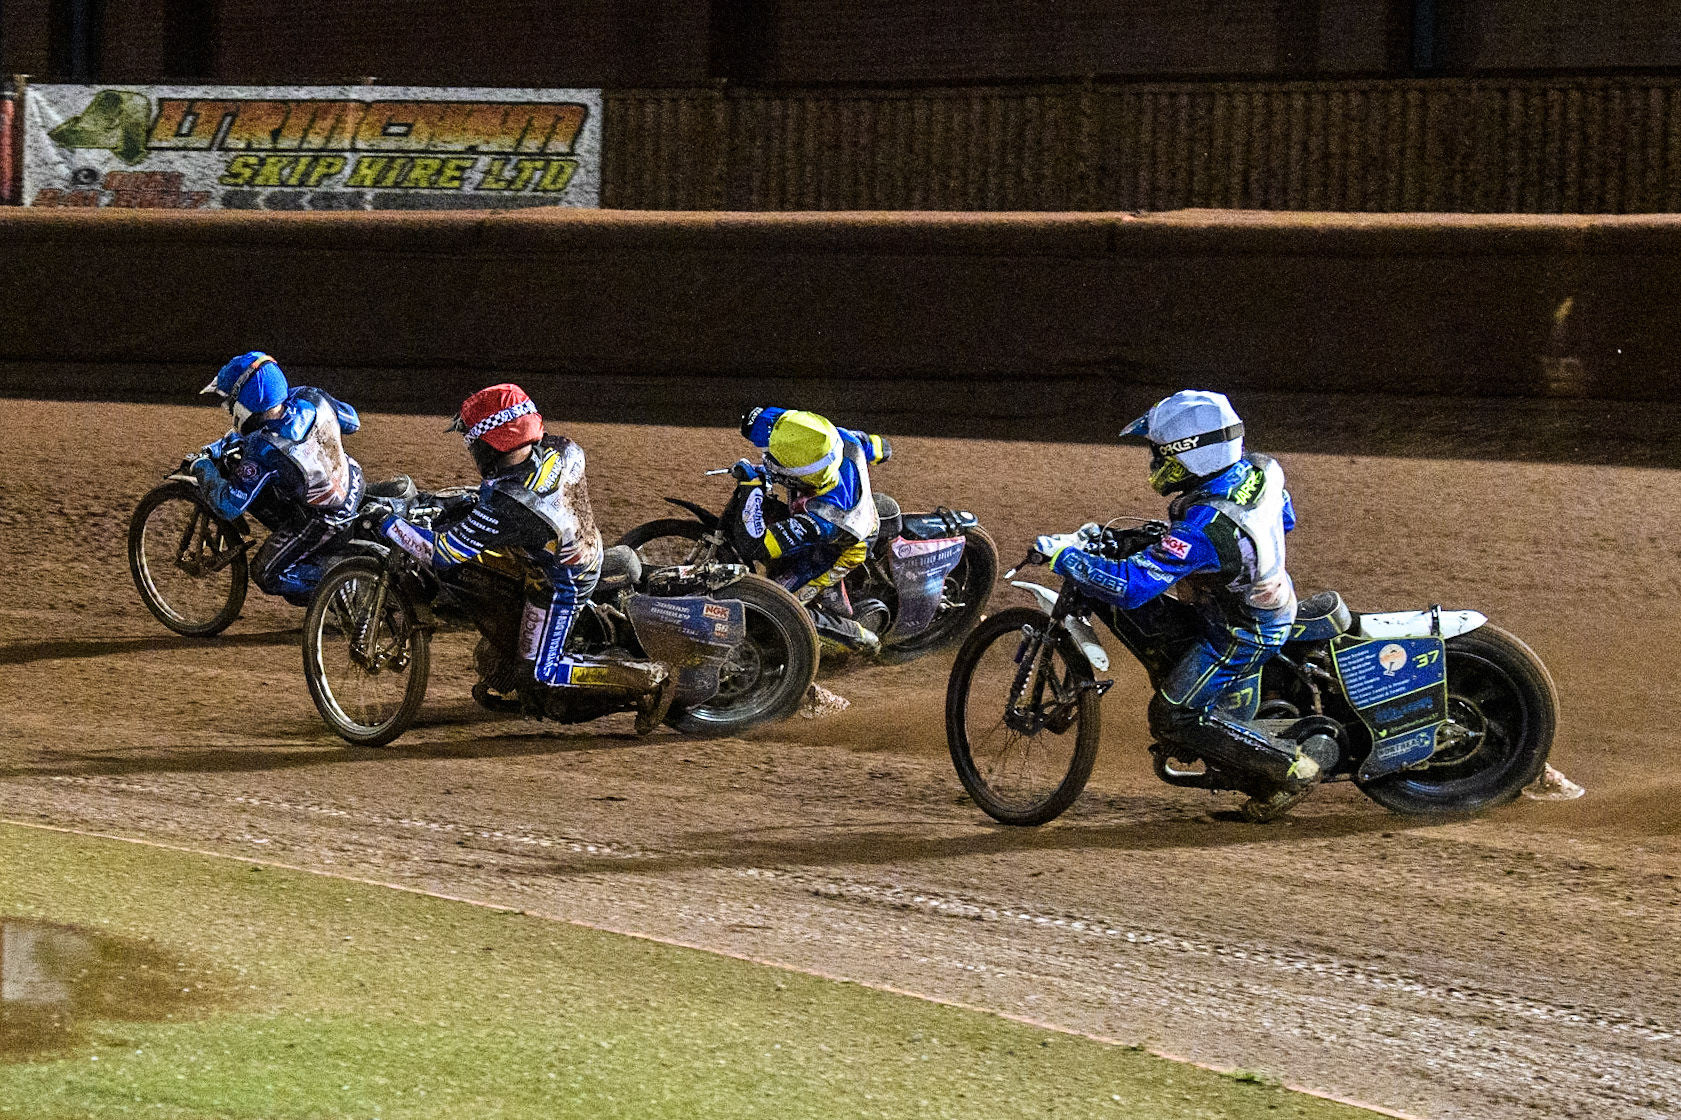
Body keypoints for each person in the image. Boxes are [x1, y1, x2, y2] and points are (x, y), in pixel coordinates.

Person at [1032, 389, 1337, 816]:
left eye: (1159, 453)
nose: (1155, 463)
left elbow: (1132, 587)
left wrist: (1063, 558)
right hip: (1256, 601)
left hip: (1240, 632)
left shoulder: (1208, 529)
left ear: (1190, 454)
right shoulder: (1261, 469)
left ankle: (1292, 770)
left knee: (1173, 716)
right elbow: (1285, 517)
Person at [377, 383, 674, 734]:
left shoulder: (509, 504)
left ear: (488, 443)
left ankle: (646, 679)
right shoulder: (562, 448)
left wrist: (386, 523)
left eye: (471, 440)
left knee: (539, 672)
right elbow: (497, 496)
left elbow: (443, 553)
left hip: (559, 582)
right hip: (575, 546)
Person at [197, 351, 365, 603]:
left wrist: (202, 466)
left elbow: (228, 505)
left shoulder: (263, 450)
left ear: (244, 403)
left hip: (326, 518)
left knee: (266, 573)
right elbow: (352, 421)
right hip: (354, 480)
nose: (228, 409)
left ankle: (345, 587)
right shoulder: (310, 396)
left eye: (229, 402)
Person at [733, 406, 893, 651]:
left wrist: (749, 486)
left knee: (778, 607)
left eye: (777, 462)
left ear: (804, 476)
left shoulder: (827, 517)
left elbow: (757, 545)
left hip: (837, 550)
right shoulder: (833, 439)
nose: (770, 459)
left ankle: (858, 637)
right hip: (844, 512)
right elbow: (880, 447)